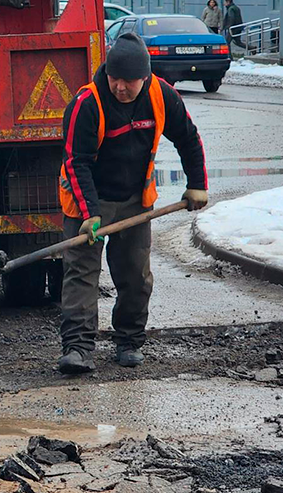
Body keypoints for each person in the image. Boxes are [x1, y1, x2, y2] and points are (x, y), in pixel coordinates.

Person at [57, 33, 208, 374]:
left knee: (135, 276)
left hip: (134, 200)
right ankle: (78, 348)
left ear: (145, 77)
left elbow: (188, 137)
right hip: (87, 200)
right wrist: (89, 213)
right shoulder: (87, 102)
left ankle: (128, 341)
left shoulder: (160, 95)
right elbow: (75, 161)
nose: (120, 87)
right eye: (114, 78)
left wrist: (197, 185)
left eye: (128, 81)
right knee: (81, 275)